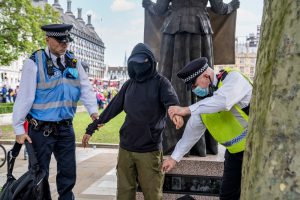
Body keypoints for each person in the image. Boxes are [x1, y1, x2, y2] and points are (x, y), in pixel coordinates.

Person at [82, 43, 184, 200]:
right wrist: (91, 128)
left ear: (150, 62)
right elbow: (112, 108)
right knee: (124, 193)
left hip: (149, 151)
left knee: (153, 195)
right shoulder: (128, 85)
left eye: (142, 62)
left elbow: (171, 101)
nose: (138, 66)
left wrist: (175, 113)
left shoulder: (161, 83)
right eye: (134, 63)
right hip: (126, 149)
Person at [142, 0, 241, 156]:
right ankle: (202, 145)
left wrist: (148, 5)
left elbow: (159, 9)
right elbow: (219, 8)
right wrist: (233, 5)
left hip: (174, 30)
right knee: (203, 80)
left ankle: (170, 140)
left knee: (171, 78)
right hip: (200, 30)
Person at [12, 23, 98, 200]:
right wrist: (19, 129)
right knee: (38, 175)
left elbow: (86, 88)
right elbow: (25, 97)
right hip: (40, 130)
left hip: (65, 128)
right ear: (48, 39)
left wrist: (93, 112)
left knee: (68, 173)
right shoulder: (34, 62)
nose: (64, 44)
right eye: (60, 41)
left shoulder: (74, 62)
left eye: (66, 40)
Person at [162, 57, 252, 200]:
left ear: (206, 76)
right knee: (228, 196)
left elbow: (223, 101)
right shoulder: (203, 105)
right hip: (235, 155)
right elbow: (190, 135)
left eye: (194, 85)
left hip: (256, 148)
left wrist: (185, 109)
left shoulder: (232, 78)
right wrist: (173, 159)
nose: (194, 90)